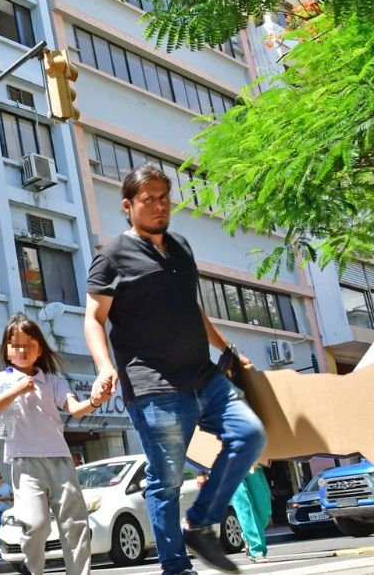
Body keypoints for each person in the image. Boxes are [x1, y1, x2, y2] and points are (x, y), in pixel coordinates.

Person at [85, 163, 266, 575]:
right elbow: (93, 318)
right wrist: (103, 367)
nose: (159, 205)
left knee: (250, 434)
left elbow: (192, 308)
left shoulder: (182, 246)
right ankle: (175, 565)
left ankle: (200, 522)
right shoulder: (111, 257)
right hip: (153, 385)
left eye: (164, 197)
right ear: (128, 206)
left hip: (203, 374)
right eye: (148, 199)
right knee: (165, 480)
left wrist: (228, 349)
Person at [0, 314, 100, 575]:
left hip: (60, 460)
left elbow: (75, 409)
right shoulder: (0, 380)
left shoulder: (53, 381)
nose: (22, 350)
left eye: (29, 344)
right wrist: (16, 391)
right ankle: (32, 569)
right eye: (15, 345)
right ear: (7, 350)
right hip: (25, 463)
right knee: (35, 524)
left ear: (39, 349)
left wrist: (95, 401)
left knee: (75, 524)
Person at [230, 466, 272, 563]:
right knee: (245, 506)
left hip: (253, 462)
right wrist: (201, 472)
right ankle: (257, 551)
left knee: (264, 510)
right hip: (229, 467)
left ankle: (247, 535)